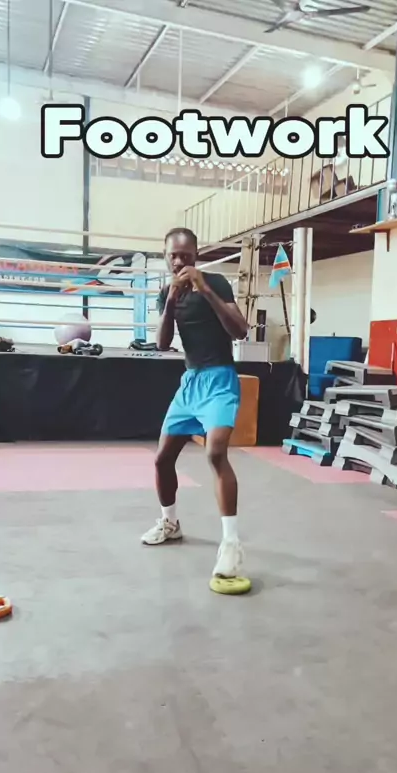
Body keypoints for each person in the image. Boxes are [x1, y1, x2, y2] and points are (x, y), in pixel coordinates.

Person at [141, 227, 249, 580]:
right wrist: (171, 300)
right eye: (172, 255)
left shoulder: (215, 283)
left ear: (196, 256)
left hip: (219, 380)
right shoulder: (166, 293)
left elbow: (240, 330)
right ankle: (170, 523)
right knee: (162, 459)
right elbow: (162, 343)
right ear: (165, 256)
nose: (178, 262)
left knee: (215, 453)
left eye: (185, 256)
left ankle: (231, 543)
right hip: (190, 383)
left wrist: (204, 289)